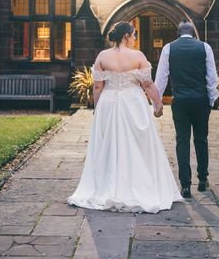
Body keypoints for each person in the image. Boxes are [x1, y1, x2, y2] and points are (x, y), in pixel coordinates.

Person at [67, 21, 183, 213]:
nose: (135, 37)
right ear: (127, 35)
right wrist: (158, 104)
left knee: (108, 144)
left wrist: (97, 107)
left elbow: (97, 86)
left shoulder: (103, 56)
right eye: (134, 34)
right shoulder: (137, 56)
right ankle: (138, 185)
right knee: (138, 143)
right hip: (132, 103)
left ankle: (107, 186)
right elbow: (147, 84)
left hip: (108, 103)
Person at [155, 21, 219, 198]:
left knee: (182, 141)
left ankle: (185, 185)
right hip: (200, 100)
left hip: (181, 100)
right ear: (193, 33)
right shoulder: (205, 47)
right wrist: (212, 99)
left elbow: (161, 77)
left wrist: (156, 103)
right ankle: (203, 179)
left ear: (178, 33)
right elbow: (212, 77)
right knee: (201, 140)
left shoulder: (169, 48)